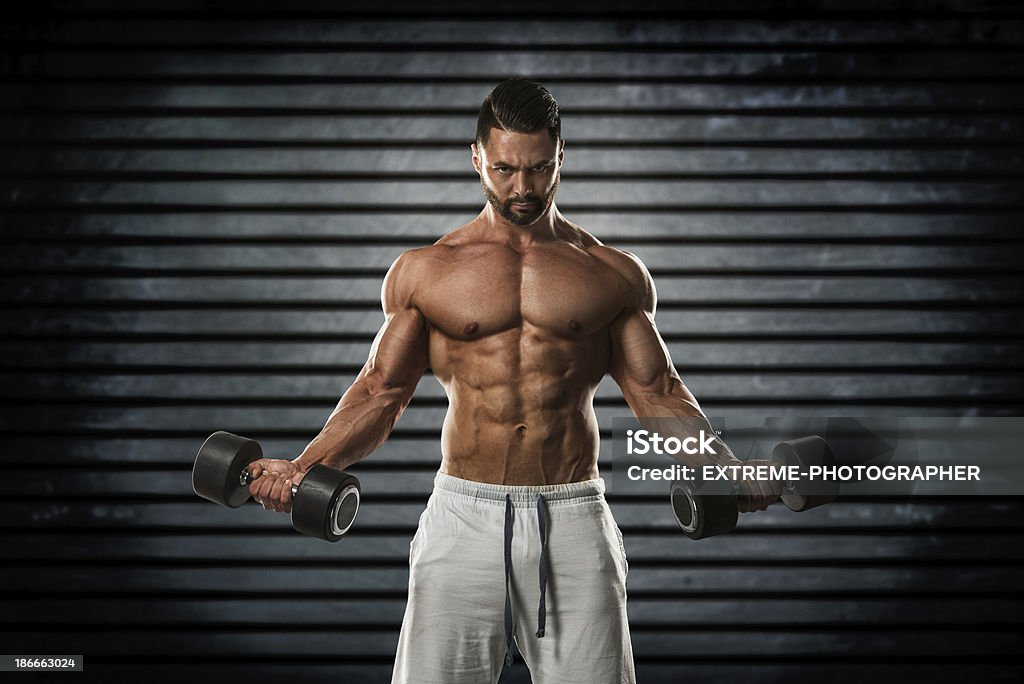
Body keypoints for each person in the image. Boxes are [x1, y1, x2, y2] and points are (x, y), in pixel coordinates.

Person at [243, 77, 781, 684]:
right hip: (462, 516)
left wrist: (721, 466)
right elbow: (380, 392)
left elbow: (656, 391)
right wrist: (304, 466)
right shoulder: (426, 273)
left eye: (538, 169)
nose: (521, 188)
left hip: (573, 515)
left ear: (561, 157)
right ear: (476, 158)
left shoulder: (612, 273)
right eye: (503, 169)